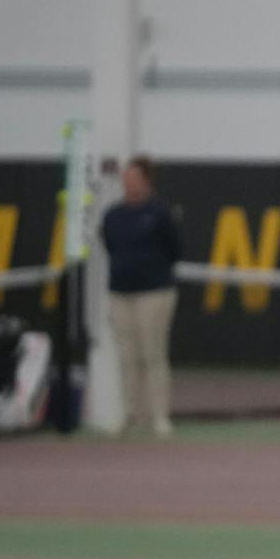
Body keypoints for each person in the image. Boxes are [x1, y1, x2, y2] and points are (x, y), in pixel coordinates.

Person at [99, 156, 183, 439]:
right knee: (127, 357)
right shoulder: (113, 215)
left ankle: (160, 417)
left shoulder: (160, 213)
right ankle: (131, 415)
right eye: (126, 178)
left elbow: (175, 249)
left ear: (146, 180)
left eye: (134, 178)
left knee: (153, 355)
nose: (128, 183)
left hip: (155, 293)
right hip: (120, 293)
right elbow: (109, 245)